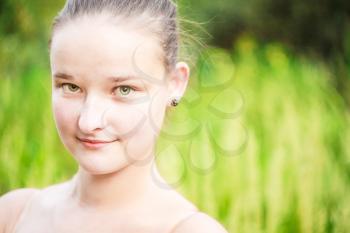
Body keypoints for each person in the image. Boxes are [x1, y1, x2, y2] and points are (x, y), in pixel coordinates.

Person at [0, 0, 228, 232]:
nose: (88, 122)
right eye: (70, 87)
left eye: (124, 90)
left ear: (175, 84)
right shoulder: (13, 214)